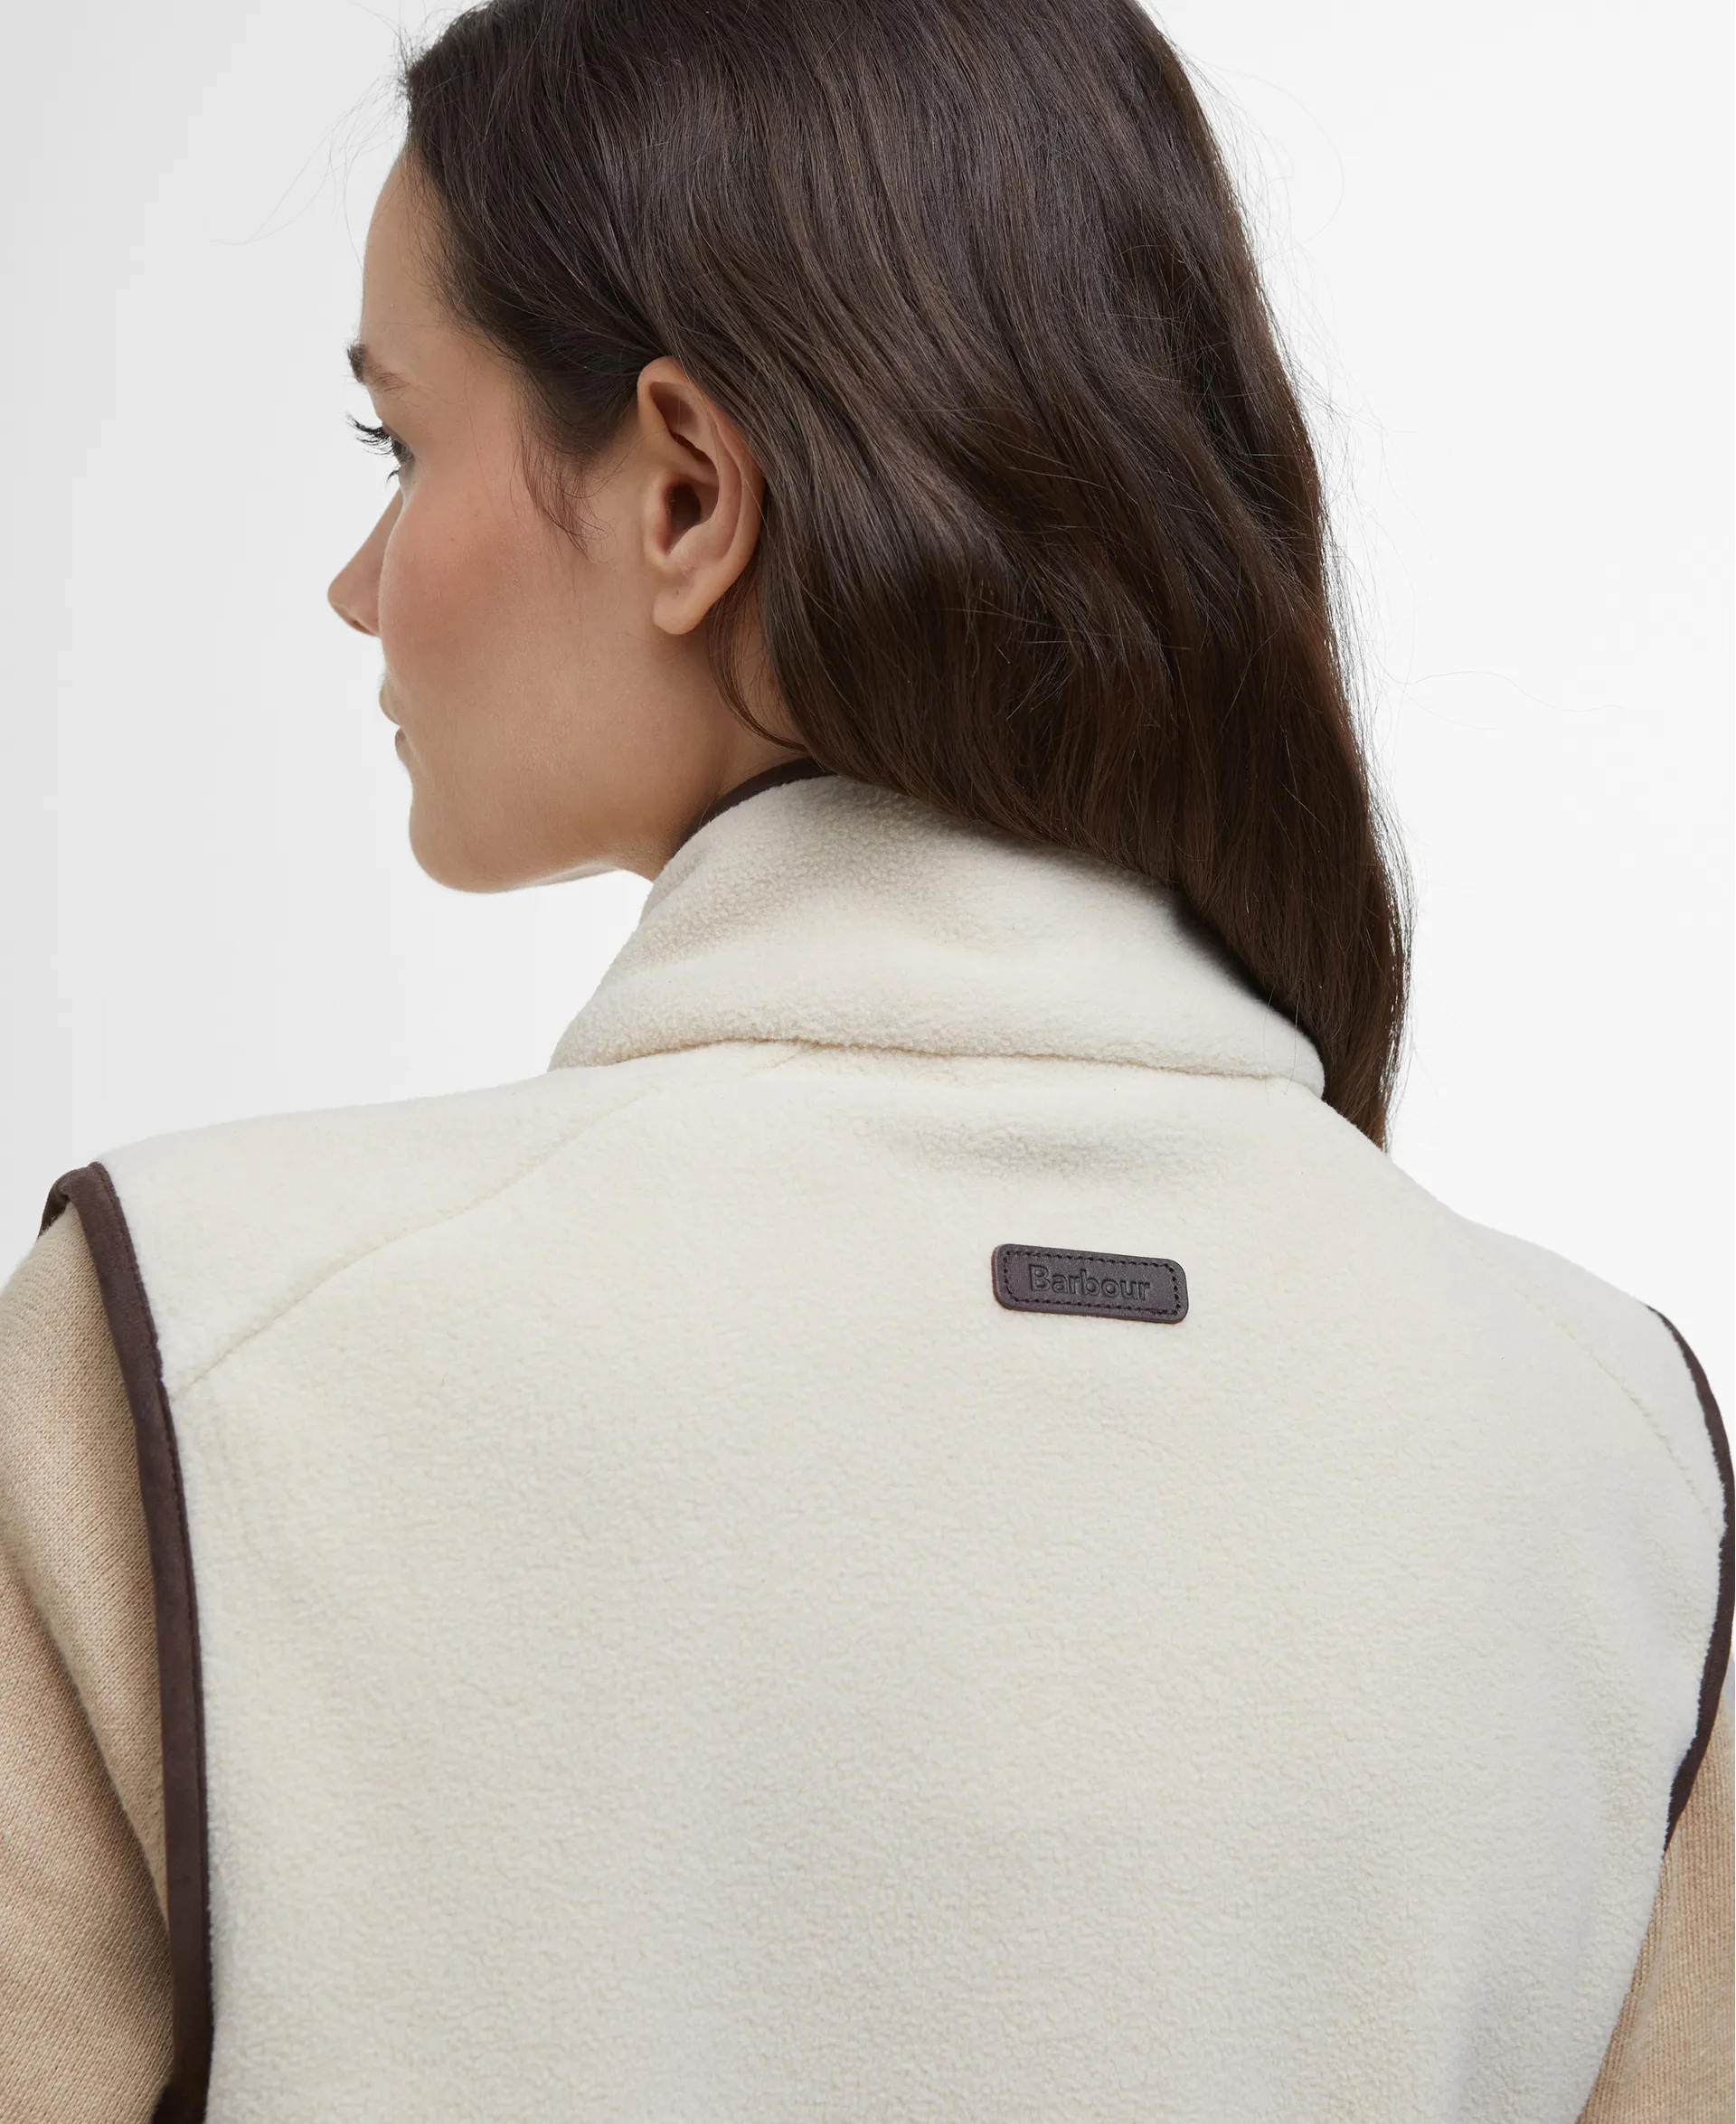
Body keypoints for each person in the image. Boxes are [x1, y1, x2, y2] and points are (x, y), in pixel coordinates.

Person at [0, 0, 1727, 2116]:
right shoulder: (1616, 1464)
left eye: (400, 446)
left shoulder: (191, 1349)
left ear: (686, 491)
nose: (359, 585)